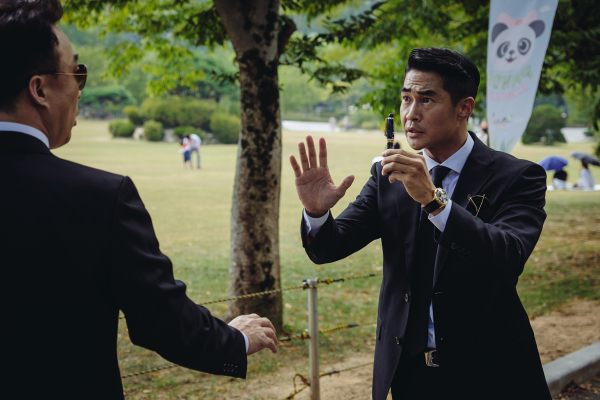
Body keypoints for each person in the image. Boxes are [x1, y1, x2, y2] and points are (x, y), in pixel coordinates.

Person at [0, 1, 277, 398]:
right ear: (40, 89)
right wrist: (236, 340)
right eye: (77, 72)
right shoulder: (99, 198)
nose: (79, 88)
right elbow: (161, 320)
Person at [290, 48, 550, 399]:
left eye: (426, 99)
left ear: (464, 108)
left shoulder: (517, 176)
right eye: (406, 99)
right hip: (410, 375)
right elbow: (329, 248)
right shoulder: (388, 176)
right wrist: (317, 213)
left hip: (490, 371)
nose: (411, 113)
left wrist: (434, 202)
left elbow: (509, 254)